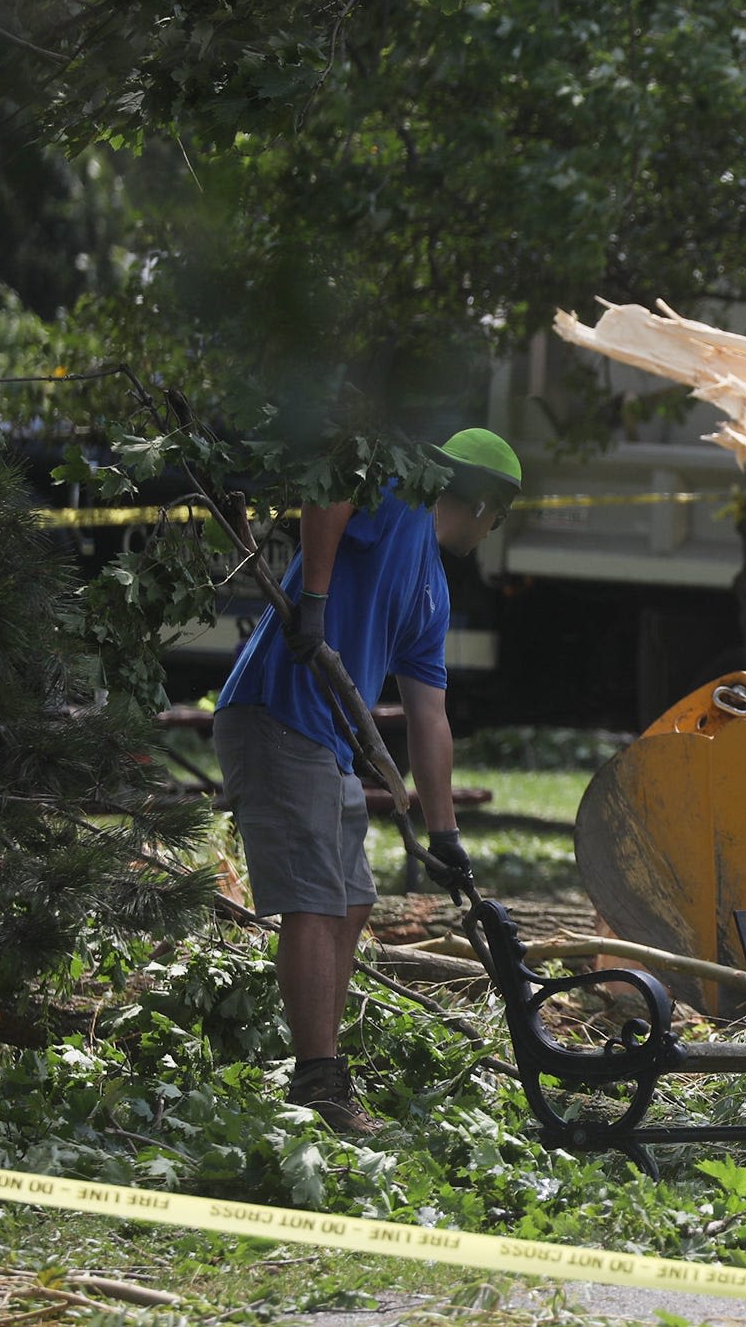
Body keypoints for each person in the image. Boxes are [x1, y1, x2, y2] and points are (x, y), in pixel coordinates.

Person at [212, 427, 521, 1134]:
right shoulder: (401, 502)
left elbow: (428, 716)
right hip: (277, 712)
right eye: (499, 516)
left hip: (326, 740)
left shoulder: (433, 590)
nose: (495, 529)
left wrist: (446, 834)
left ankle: (320, 1071)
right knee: (318, 903)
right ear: (483, 504)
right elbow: (332, 493)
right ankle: (319, 1081)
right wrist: (313, 599)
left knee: (351, 902)